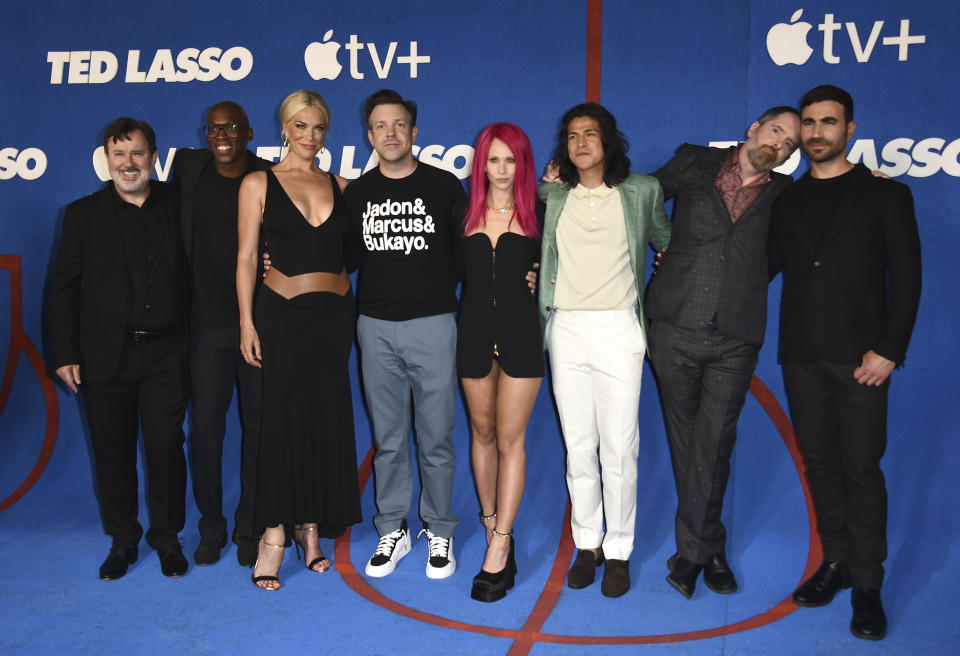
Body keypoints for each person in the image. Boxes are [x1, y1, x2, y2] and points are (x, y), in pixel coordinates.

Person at [769, 85, 921, 640]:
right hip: (801, 356)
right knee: (823, 465)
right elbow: (760, 266)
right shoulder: (785, 199)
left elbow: (906, 280)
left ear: (849, 129)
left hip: (863, 360)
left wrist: (889, 351)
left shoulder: (886, 195)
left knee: (861, 468)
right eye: (808, 123)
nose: (816, 133)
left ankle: (868, 583)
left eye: (828, 123)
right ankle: (834, 563)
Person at [645, 107, 801, 598]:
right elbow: (638, 201)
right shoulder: (694, 161)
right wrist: (661, 242)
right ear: (754, 127)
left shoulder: (786, 196)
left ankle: (692, 556)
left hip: (736, 332)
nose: (780, 144)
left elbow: (778, 255)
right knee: (687, 441)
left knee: (714, 446)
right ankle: (710, 548)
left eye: (791, 145)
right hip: (673, 322)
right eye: (777, 131)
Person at [49, 117, 190, 580]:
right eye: (119, 155)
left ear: (153, 157)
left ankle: (167, 539)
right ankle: (124, 541)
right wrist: (64, 353)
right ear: (106, 160)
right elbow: (63, 290)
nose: (128, 164)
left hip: (167, 353)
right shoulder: (81, 214)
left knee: (165, 448)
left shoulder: (179, 203)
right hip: (104, 355)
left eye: (137, 154)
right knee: (112, 452)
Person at [539, 103, 671, 598]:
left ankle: (619, 551)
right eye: (572, 135)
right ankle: (587, 544)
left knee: (620, 448)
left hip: (619, 329)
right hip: (566, 329)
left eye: (590, 134)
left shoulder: (641, 191)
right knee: (579, 447)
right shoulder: (551, 195)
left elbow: (669, 243)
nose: (580, 143)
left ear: (608, 141)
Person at [237, 90, 361, 591]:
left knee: (322, 421)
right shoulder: (258, 181)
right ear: (284, 127)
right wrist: (247, 322)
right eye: (300, 126)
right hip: (279, 317)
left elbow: (361, 257)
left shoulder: (345, 186)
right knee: (281, 421)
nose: (310, 137)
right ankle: (273, 535)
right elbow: (246, 258)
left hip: (333, 321)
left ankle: (310, 531)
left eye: (319, 128)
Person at [340, 89, 465, 580]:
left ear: (414, 132)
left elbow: (467, 253)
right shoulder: (358, 193)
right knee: (388, 438)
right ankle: (392, 526)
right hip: (374, 326)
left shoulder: (444, 186)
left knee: (435, 437)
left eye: (399, 125)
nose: (389, 134)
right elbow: (343, 258)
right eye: (379, 126)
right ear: (369, 135)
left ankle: (439, 529)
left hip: (433, 323)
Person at [171, 101, 270, 567]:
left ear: (249, 133)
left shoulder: (269, 177)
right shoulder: (187, 169)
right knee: (205, 433)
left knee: (259, 433)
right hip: (205, 328)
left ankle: (250, 528)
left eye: (231, 127)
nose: (222, 135)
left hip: (259, 328)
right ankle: (212, 527)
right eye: (213, 128)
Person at [458, 123, 544, 602]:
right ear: (482, 164)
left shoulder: (541, 212)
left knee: (512, 439)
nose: (503, 169)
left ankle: (501, 545)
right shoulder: (462, 212)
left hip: (521, 338)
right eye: (494, 159)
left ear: (523, 163)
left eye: (511, 159)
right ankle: (491, 524)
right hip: (471, 336)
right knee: (483, 432)